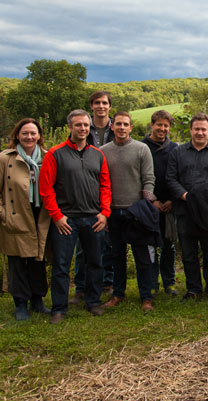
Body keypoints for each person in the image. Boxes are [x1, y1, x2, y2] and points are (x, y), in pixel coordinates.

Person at [39, 110, 111, 323]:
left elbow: (105, 186)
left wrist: (105, 213)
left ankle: (93, 301)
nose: (83, 129)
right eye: (78, 125)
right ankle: (59, 308)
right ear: (69, 127)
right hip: (66, 220)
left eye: (86, 125)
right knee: (61, 265)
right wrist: (57, 216)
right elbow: (46, 189)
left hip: (93, 219)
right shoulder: (55, 153)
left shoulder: (97, 154)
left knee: (95, 262)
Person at [0, 119, 52, 321]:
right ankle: (20, 304)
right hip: (15, 216)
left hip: (40, 215)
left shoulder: (48, 157)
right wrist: (1, 214)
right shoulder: (5, 159)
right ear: (17, 135)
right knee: (17, 262)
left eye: (33, 133)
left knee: (38, 260)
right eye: (25, 133)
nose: (29, 137)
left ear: (40, 136)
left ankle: (37, 300)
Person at [166, 112, 208, 302]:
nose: (200, 133)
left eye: (204, 129)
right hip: (185, 210)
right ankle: (193, 289)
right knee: (189, 253)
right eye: (197, 129)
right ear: (191, 130)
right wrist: (185, 196)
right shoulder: (177, 152)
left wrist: (206, 198)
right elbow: (171, 178)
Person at [100, 112, 157, 311]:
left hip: (136, 212)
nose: (122, 127)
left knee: (142, 257)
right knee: (116, 257)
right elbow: (101, 183)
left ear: (131, 127)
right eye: (118, 124)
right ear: (112, 127)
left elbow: (149, 178)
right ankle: (118, 294)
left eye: (125, 124)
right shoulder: (103, 151)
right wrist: (103, 212)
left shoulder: (142, 149)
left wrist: (146, 205)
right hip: (113, 211)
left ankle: (146, 296)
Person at [71, 90, 114, 303]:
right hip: (85, 193)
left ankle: (107, 282)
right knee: (82, 246)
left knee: (106, 242)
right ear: (91, 106)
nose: (101, 106)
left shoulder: (116, 129)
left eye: (104, 102)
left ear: (109, 106)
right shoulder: (84, 128)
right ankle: (80, 286)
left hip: (109, 192)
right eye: (97, 102)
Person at [142, 110, 179, 296]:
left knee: (168, 245)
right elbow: (138, 176)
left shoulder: (175, 148)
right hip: (149, 204)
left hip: (170, 205)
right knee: (150, 245)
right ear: (152, 125)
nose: (162, 129)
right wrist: (153, 200)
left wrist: (172, 200)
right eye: (159, 125)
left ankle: (169, 282)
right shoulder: (141, 147)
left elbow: (179, 176)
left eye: (166, 126)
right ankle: (152, 283)